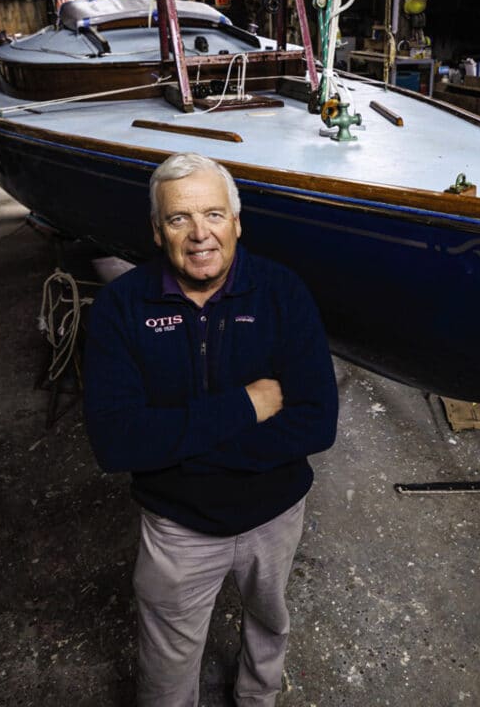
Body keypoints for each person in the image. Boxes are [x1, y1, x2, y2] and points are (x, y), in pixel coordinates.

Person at [82, 152, 339, 707]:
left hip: (274, 517)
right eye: (179, 219)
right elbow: (116, 442)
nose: (200, 234)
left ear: (237, 222)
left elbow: (317, 423)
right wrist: (248, 406)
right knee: (167, 663)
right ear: (157, 231)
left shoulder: (282, 293)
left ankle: (258, 696)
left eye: (215, 215)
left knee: (270, 622)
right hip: (178, 529)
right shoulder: (120, 308)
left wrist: (177, 447)